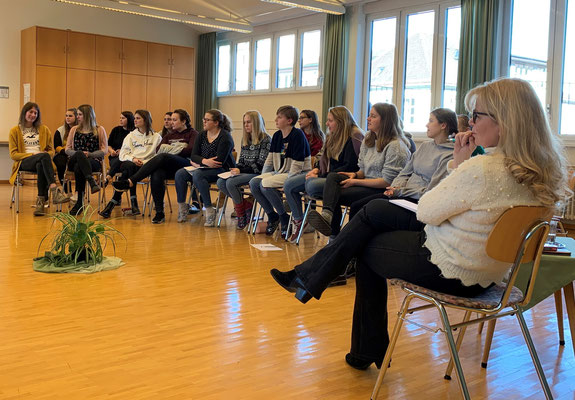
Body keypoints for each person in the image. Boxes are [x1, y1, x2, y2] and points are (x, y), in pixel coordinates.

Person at [270, 77, 570, 371]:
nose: (471, 125)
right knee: (375, 209)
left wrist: (458, 163)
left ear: (503, 121)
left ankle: (347, 326)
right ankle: (314, 282)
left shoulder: (484, 168)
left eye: (476, 116)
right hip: (489, 274)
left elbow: (427, 209)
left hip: (452, 269)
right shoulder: (543, 171)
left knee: (364, 245)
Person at [307, 102, 411, 238]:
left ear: (385, 120)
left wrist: (355, 181)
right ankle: (328, 218)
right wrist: (355, 174)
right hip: (366, 182)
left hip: (381, 189)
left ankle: (335, 236)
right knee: (333, 177)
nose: (368, 119)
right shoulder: (369, 139)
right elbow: (363, 170)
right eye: (369, 115)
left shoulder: (396, 146)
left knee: (334, 194)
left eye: (373, 116)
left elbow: (387, 181)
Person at [348, 108, 458, 219]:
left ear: (443, 125)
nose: (426, 125)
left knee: (371, 208)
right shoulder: (425, 146)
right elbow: (405, 172)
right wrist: (395, 187)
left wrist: (400, 191)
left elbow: (431, 191)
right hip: (401, 193)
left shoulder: (450, 155)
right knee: (357, 206)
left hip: (415, 201)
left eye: (430, 121)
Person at [283, 106, 364, 242]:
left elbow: (349, 166)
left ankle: (330, 230)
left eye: (330, 121)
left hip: (341, 177)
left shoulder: (354, 136)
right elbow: (324, 159)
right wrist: (316, 169)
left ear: (341, 121)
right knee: (290, 184)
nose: (327, 123)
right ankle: (300, 221)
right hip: (327, 175)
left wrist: (324, 174)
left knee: (312, 185)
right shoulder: (332, 136)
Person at [113, 109, 198, 224]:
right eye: (171, 120)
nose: (172, 122)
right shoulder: (169, 135)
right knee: (157, 172)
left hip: (185, 165)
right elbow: (158, 149)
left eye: (174, 120)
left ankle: (131, 181)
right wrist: (178, 147)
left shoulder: (192, 134)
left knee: (163, 156)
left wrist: (170, 149)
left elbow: (190, 151)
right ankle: (159, 212)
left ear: (183, 121)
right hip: (170, 167)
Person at [249, 105, 312, 237]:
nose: (276, 120)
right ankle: (273, 216)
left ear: (289, 121)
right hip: (280, 172)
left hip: (297, 174)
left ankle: (286, 218)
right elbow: (270, 160)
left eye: (279, 117)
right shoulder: (277, 135)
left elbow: (297, 165)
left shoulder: (298, 135)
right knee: (255, 183)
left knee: (265, 185)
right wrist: (263, 175)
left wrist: (288, 182)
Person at [174, 109, 235, 226]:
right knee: (180, 174)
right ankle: (182, 207)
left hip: (222, 169)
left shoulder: (225, 137)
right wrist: (204, 161)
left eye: (207, 120)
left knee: (198, 174)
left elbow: (219, 161)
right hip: (204, 167)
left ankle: (209, 209)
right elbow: (193, 155)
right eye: (204, 119)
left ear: (216, 123)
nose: (204, 122)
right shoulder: (202, 134)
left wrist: (198, 163)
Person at [9, 102, 70, 215]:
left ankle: (40, 205)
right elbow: (14, 155)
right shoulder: (14, 131)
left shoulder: (44, 129)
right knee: (43, 157)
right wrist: (33, 155)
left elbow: (51, 151)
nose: (33, 115)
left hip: (42, 161)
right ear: (24, 113)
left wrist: (42, 155)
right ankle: (54, 190)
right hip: (24, 161)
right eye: (30, 112)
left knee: (41, 163)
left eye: (35, 113)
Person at [99, 110, 162, 218]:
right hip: (130, 162)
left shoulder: (156, 137)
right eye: (135, 118)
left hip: (146, 166)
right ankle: (133, 203)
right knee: (130, 166)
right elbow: (123, 154)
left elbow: (157, 156)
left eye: (138, 118)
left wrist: (143, 162)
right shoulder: (130, 136)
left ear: (146, 120)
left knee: (126, 173)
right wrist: (133, 159)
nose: (135, 120)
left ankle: (112, 205)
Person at [216, 111, 271, 229]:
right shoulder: (245, 139)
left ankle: (241, 215)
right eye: (244, 122)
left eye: (249, 122)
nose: (246, 125)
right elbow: (241, 160)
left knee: (231, 182)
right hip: (246, 172)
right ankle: (246, 204)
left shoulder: (266, 139)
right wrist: (236, 168)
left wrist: (241, 170)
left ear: (256, 123)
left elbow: (261, 165)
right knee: (221, 182)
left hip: (258, 173)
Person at [65, 104, 108, 215]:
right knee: (79, 154)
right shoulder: (74, 129)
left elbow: (104, 150)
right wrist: (80, 154)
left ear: (87, 116)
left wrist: (90, 154)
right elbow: (67, 149)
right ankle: (91, 181)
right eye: (77, 114)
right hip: (74, 159)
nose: (77, 117)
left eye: (80, 114)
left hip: (92, 161)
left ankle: (79, 203)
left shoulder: (99, 129)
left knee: (79, 168)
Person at [105, 111, 135, 185]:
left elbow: (136, 147)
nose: (121, 120)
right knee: (125, 169)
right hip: (115, 157)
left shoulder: (135, 131)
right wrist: (111, 151)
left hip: (130, 157)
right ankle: (125, 194)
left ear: (129, 119)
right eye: (120, 118)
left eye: (123, 118)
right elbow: (108, 145)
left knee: (123, 159)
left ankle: (108, 177)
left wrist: (122, 151)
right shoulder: (116, 130)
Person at [53, 108, 78, 185]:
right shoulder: (60, 130)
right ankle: (66, 188)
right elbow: (56, 146)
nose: (67, 117)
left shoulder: (80, 129)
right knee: (60, 163)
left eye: (70, 116)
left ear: (76, 117)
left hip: (76, 154)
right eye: (66, 115)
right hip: (63, 153)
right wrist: (65, 152)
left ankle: (79, 191)